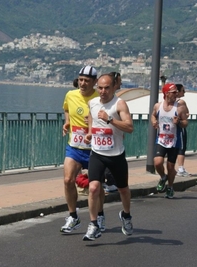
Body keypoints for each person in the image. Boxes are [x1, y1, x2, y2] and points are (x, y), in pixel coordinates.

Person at [82, 74, 134, 241]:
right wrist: (90, 132)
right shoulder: (93, 103)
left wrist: (110, 119)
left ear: (113, 88)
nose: (103, 91)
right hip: (97, 153)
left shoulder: (119, 104)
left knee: (123, 190)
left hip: (116, 155)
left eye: (106, 88)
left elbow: (129, 127)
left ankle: (126, 215)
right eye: (100, 88)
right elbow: (91, 115)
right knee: (93, 188)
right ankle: (93, 224)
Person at [60, 66, 102, 233]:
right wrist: (68, 122)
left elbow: (111, 119)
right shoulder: (70, 95)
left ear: (94, 82)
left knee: (96, 187)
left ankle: (99, 215)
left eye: (87, 81)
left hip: (95, 149)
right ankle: (73, 217)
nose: (83, 83)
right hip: (74, 146)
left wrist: (95, 121)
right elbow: (66, 109)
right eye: (81, 80)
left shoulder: (99, 98)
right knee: (68, 180)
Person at [151, 83, 189, 199]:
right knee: (157, 162)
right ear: (167, 93)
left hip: (174, 141)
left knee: (171, 167)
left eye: (177, 92)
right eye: (174, 92)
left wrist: (179, 122)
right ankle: (163, 177)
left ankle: (170, 187)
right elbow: (153, 116)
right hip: (161, 139)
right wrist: (153, 122)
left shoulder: (179, 107)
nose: (176, 94)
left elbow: (185, 122)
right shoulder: (158, 106)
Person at [175, 84, 190, 176]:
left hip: (169, 127)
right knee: (181, 147)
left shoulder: (167, 102)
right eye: (183, 90)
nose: (184, 92)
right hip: (179, 126)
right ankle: (180, 168)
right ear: (178, 91)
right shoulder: (181, 102)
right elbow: (187, 113)